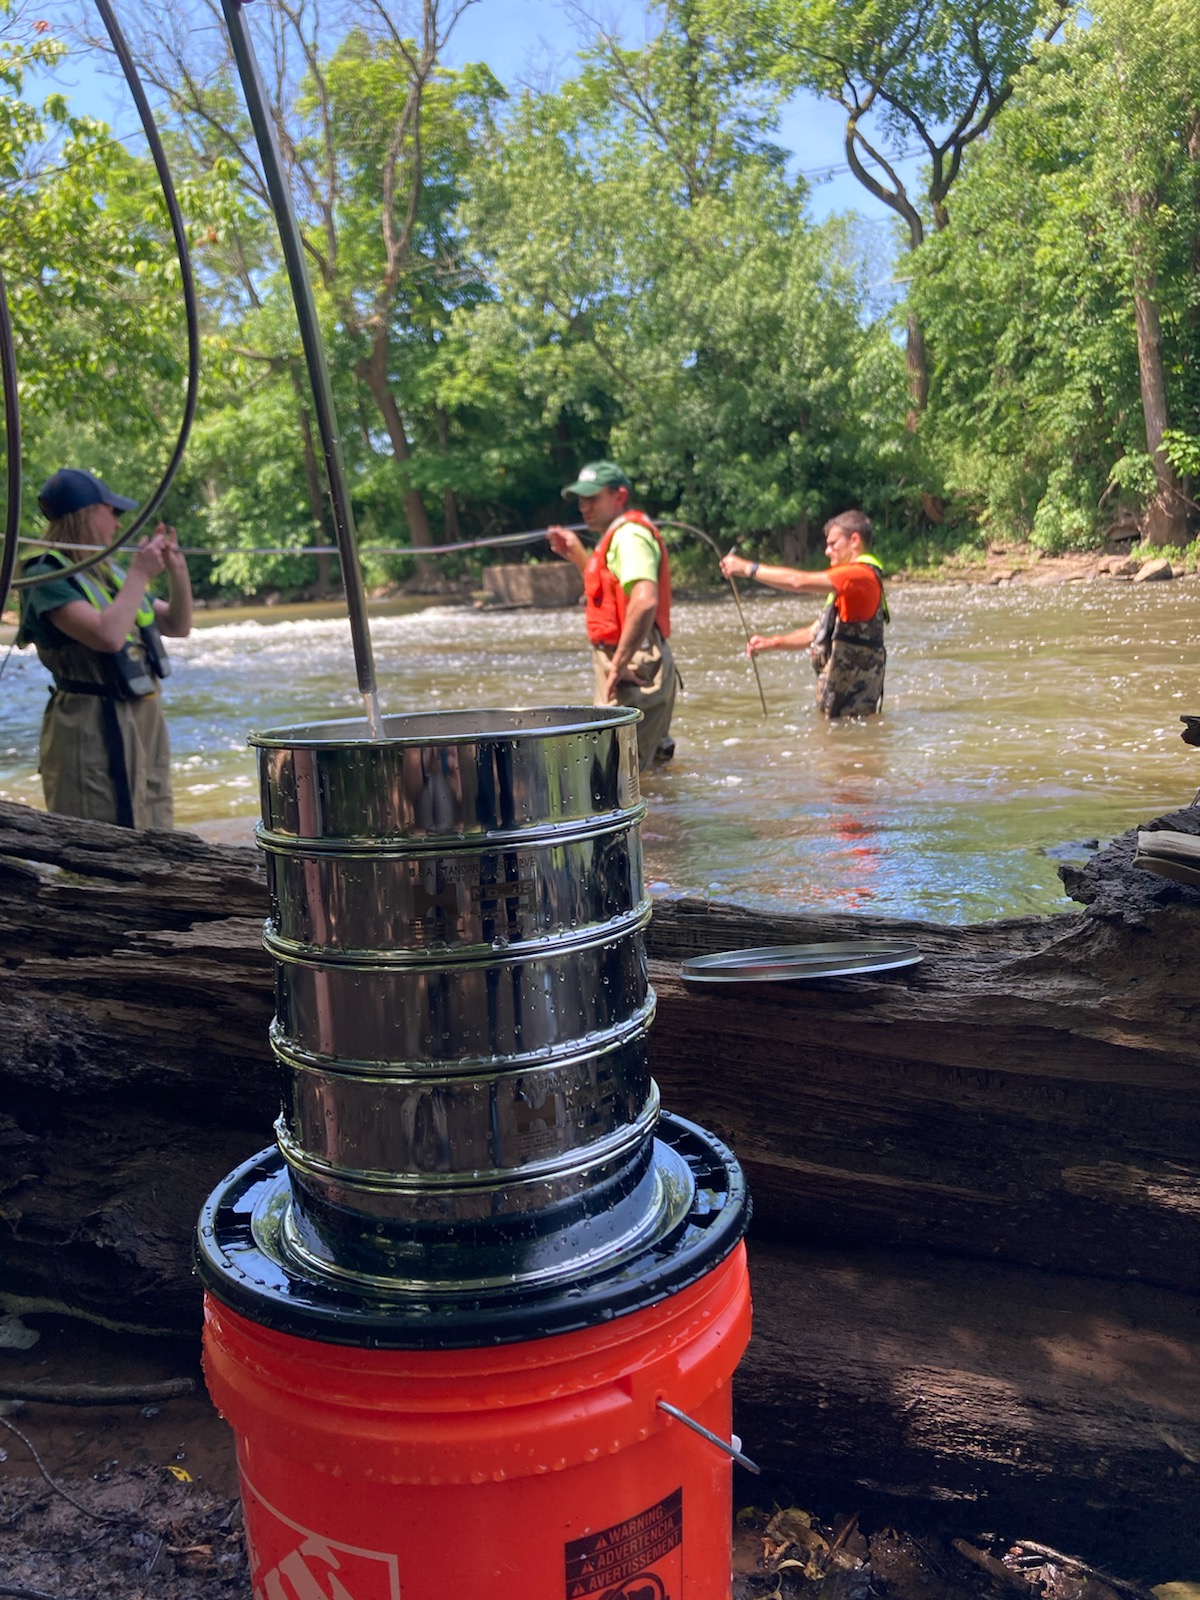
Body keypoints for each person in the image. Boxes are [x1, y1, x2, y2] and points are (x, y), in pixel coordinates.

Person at [16, 467, 193, 829]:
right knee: (98, 834)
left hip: (142, 718)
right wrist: (139, 573)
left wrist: (177, 570)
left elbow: (178, 625)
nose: (117, 523)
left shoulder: (106, 573)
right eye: (112, 512)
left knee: (155, 825)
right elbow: (107, 635)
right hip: (90, 724)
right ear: (87, 513)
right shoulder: (44, 575)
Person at [548, 460, 677, 770]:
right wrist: (577, 554)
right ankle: (666, 817)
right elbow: (609, 590)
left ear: (619, 496)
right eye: (581, 499)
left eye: (592, 498)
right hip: (632, 660)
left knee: (617, 774)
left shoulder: (630, 536)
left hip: (632, 664)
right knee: (642, 770)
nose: (583, 507)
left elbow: (644, 601)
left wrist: (617, 665)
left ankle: (657, 820)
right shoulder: (618, 537)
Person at [720, 510, 888, 718]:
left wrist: (747, 568)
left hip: (852, 706)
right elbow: (814, 633)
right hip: (838, 701)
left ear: (854, 540)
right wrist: (772, 643)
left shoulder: (859, 575)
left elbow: (797, 582)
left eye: (833, 544)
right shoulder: (847, 585)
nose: (827, 551)